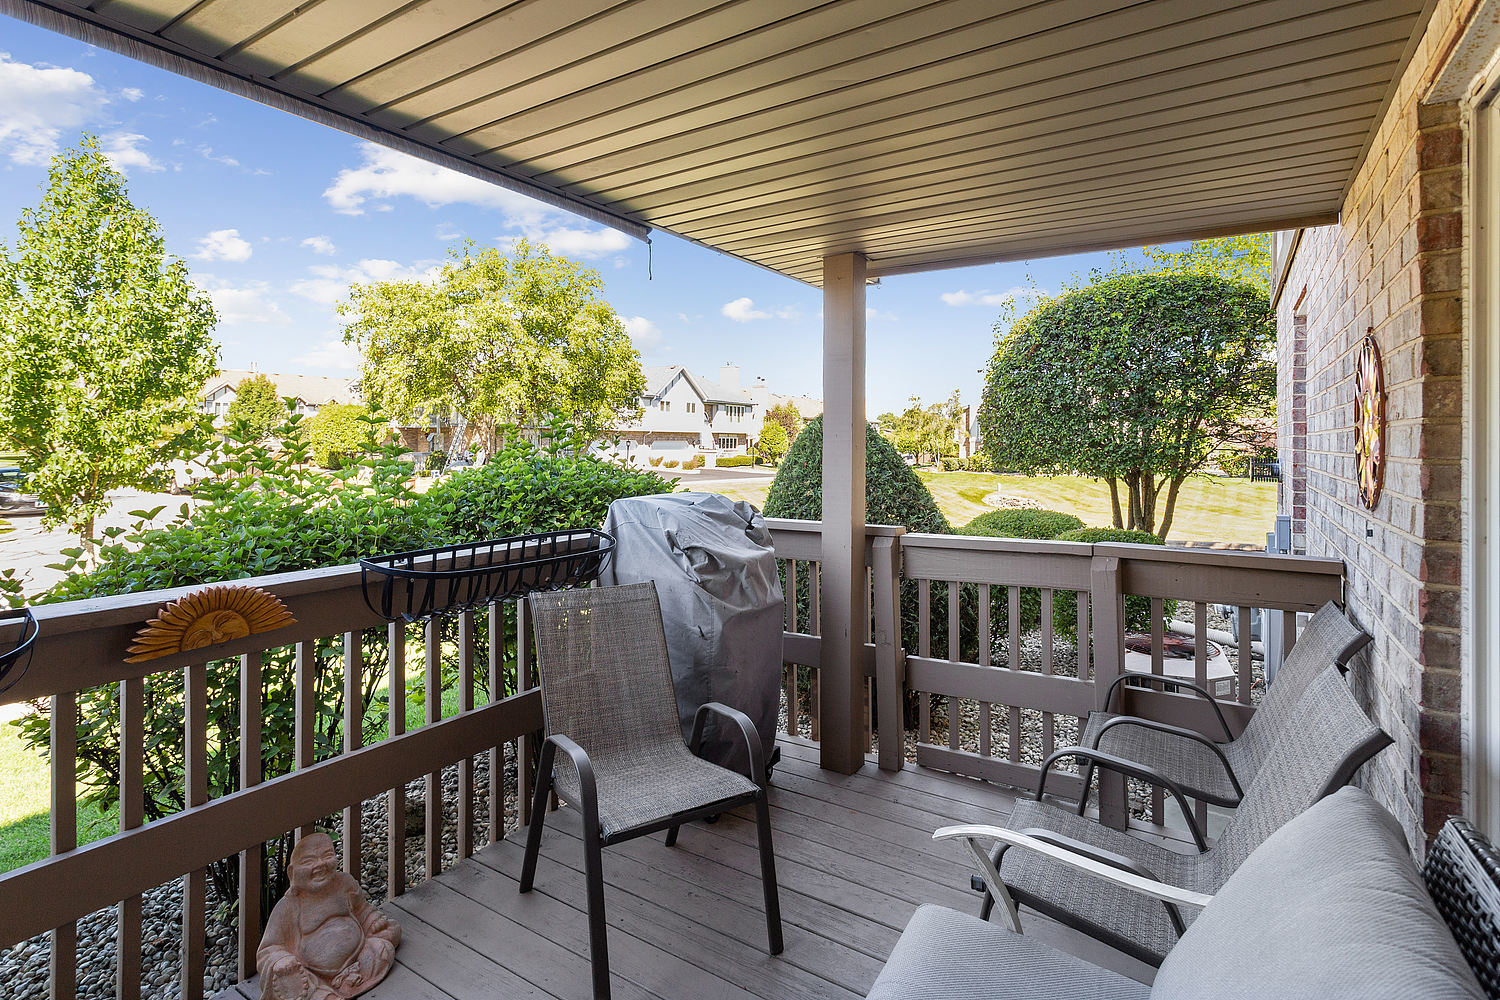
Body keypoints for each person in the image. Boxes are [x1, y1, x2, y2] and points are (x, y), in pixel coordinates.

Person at [257, 833, 400, 1000]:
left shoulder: (344, 884)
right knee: (294, 981)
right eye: (308, 862)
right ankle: (326, 994)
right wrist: (281, 960)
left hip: (358, 956)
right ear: (292, 873)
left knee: (385, 944)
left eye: (328, 856)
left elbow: (361, 909)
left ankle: (348, 981)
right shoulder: (288, 906)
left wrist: (372, 919)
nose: (320, 865)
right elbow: (268, 949)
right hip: (313, 973)